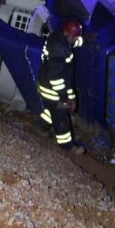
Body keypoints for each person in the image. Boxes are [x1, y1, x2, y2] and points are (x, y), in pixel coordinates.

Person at [37, 19, 85, 154]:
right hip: (53, 90)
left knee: (52, 110)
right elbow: (55, 77)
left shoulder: (58, 37)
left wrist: (87, 40)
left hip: (46, 85)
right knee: (61, 115)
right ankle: (68, 146)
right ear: (68, 34)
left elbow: (74, 43)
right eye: (75, 38)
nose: (76, 40)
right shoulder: (59, 48)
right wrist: (64, 97)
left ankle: (41, 126)